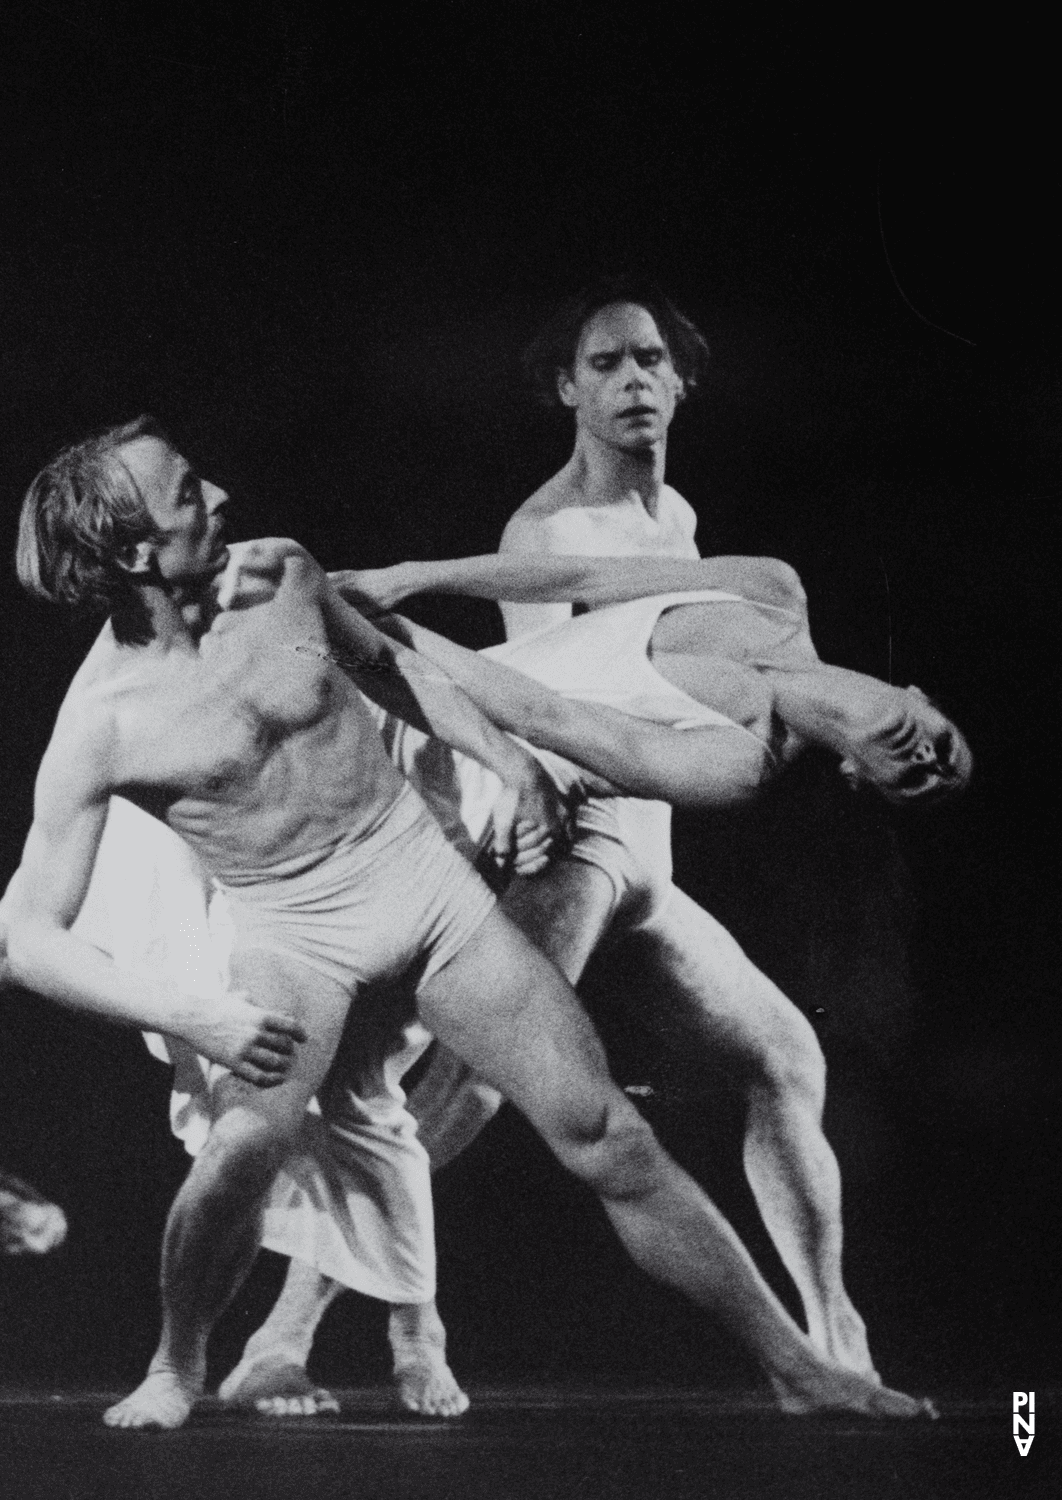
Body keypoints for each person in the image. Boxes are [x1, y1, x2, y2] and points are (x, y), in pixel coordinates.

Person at [4, 418, 933, 1428]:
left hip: (424, 888)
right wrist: (200, 1018)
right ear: (134, 553)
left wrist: (507, 761)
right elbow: (30, 939)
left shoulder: (280, 574)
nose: (220, 492)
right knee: (243, 1146)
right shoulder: (104, 723)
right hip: (295, 937)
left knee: (606, 1133)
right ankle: (176, 1365)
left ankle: (796, 1367)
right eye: (187, 492)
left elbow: (399, 671)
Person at [225, 282, 967, 1416]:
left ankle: (834, 1338)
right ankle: (287, 1329)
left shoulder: (716, 630)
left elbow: (617, 647)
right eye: (610, 362)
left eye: (651, 363)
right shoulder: (613, 545)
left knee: (785, 1060)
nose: (634, 383)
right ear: (568, 387)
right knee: (467, 1082)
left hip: (641, 851)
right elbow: (546, 690)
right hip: (572, 834)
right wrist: (406, 600)